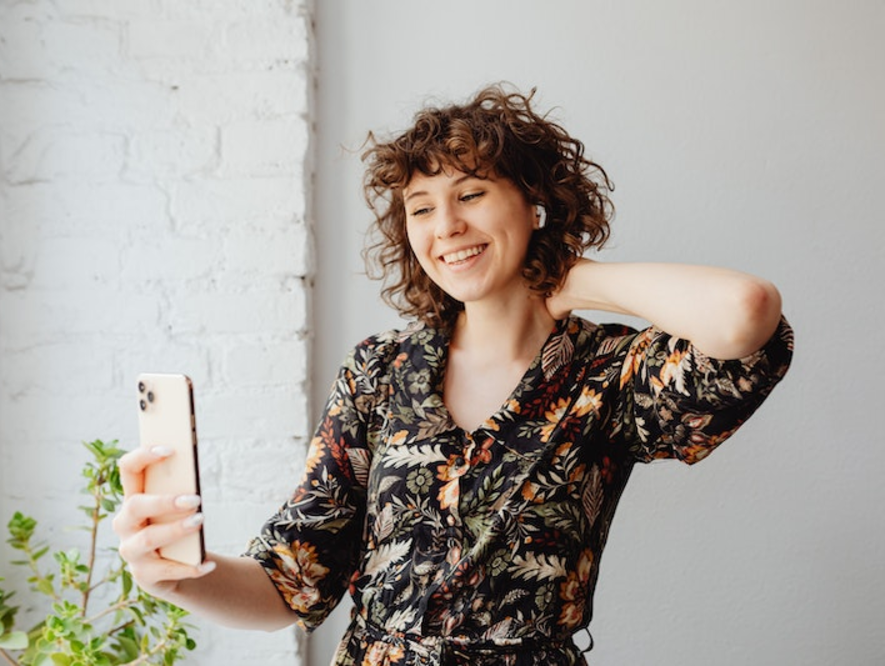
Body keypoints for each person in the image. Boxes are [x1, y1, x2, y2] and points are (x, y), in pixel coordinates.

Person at [113, 85, 793, 665]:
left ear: (535, 204)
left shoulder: (608, 372)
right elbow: (290, 583)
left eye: (471, 193)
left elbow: (746, 312)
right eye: (421, 207)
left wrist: (564, 275)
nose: (447, 226)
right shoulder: (379, 372)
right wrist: (177, 578)